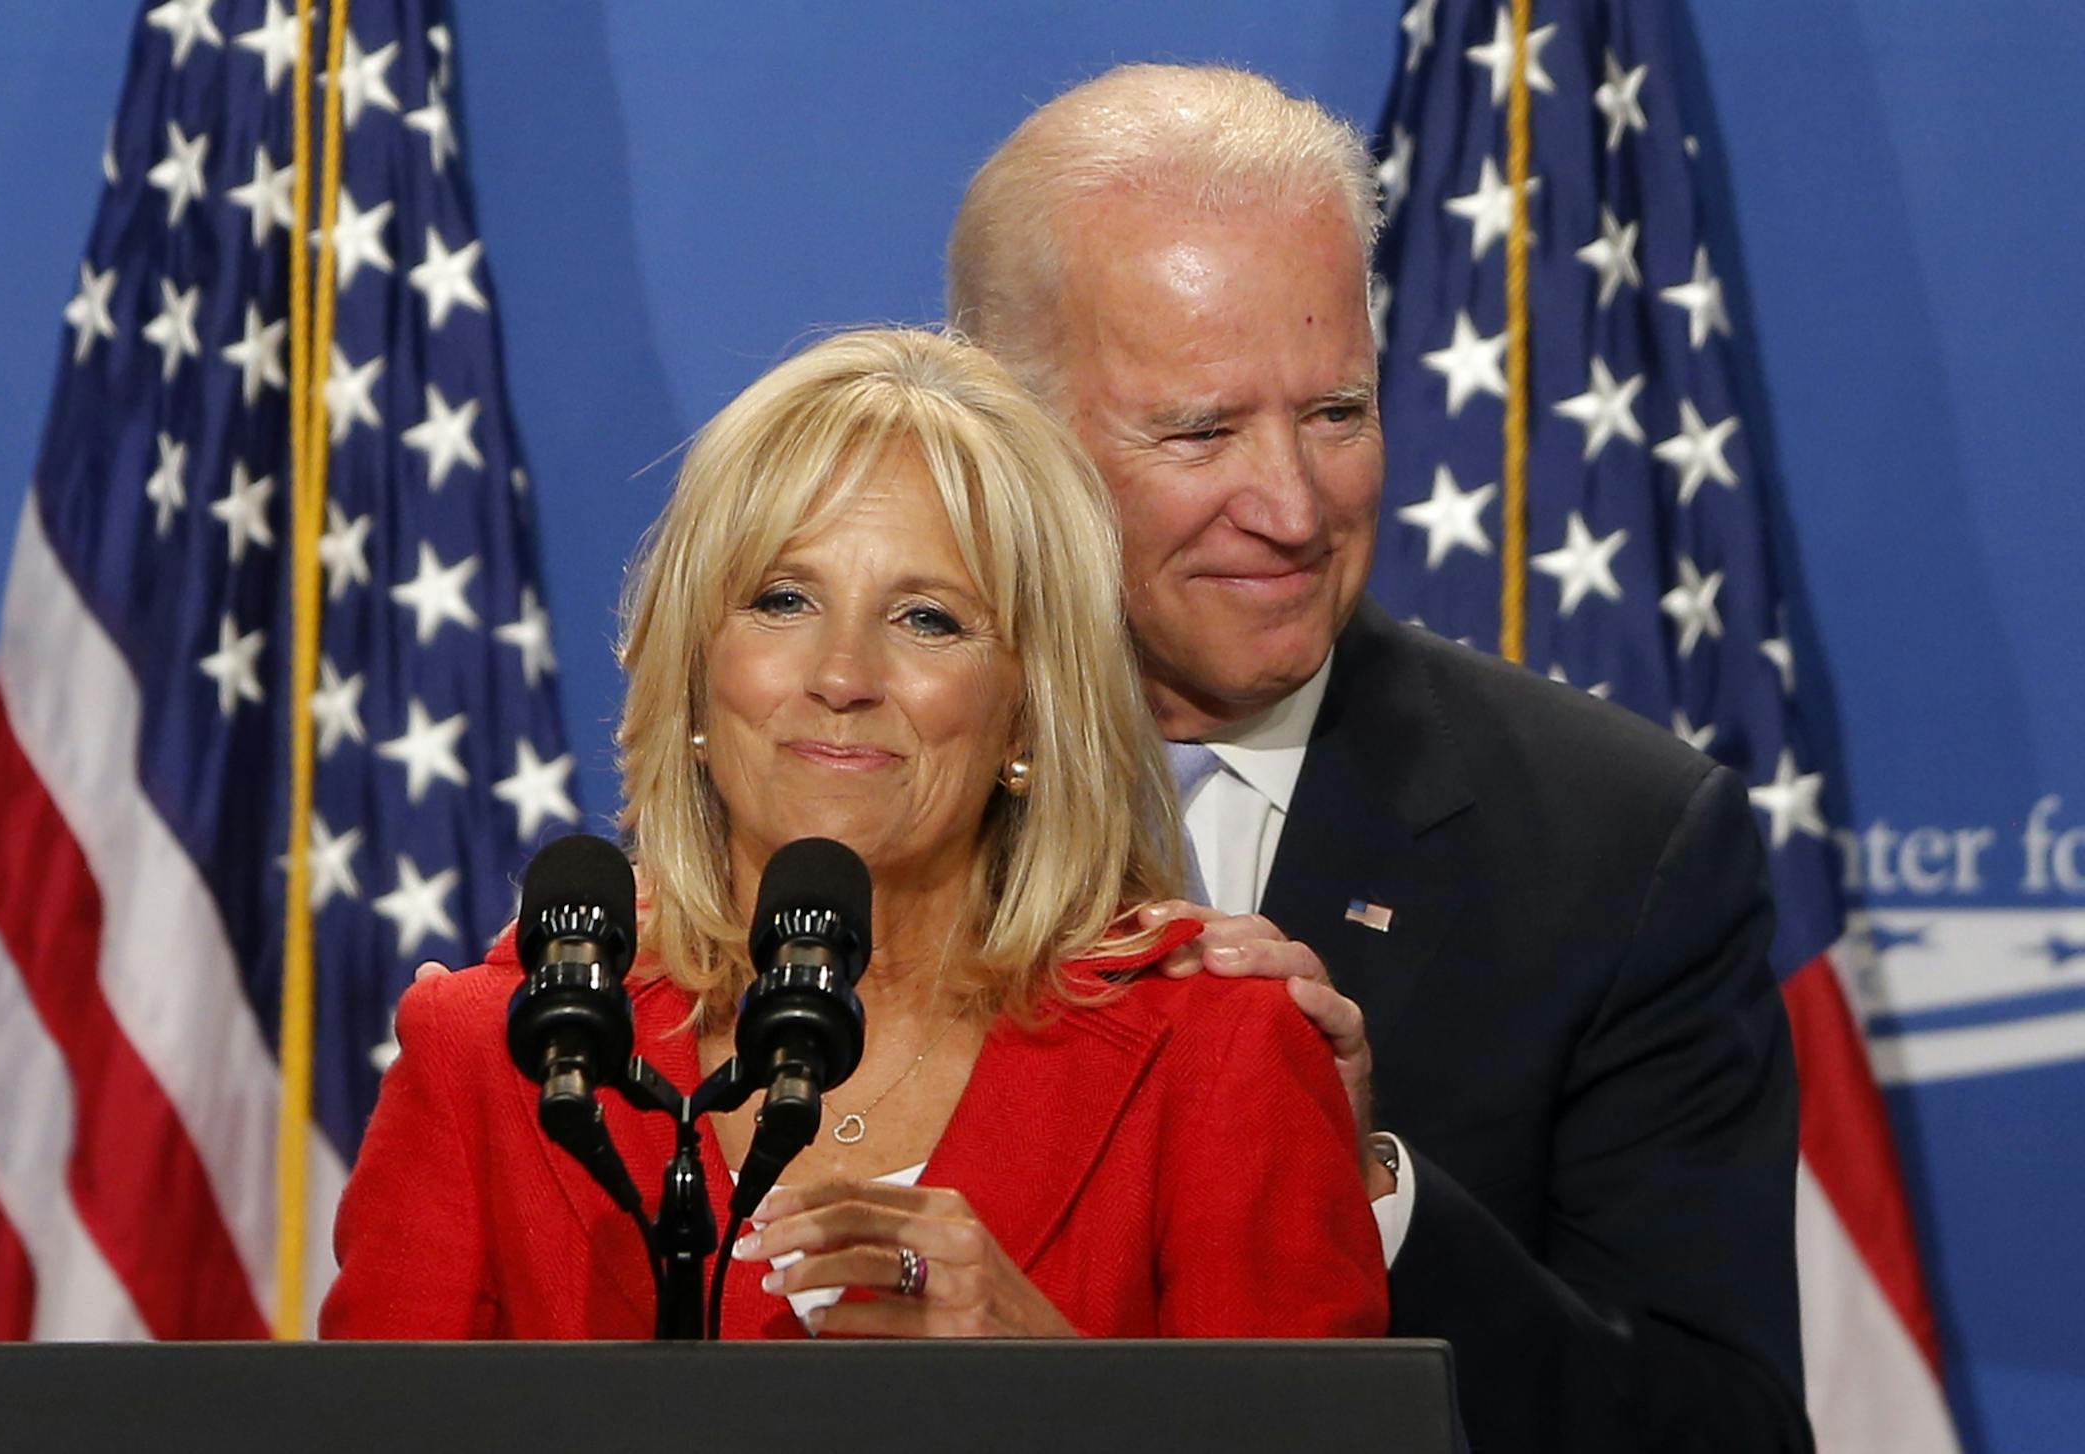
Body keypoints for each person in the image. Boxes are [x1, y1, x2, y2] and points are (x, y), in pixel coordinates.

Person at [946, 65, 1809, 1450]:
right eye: (1201, 429)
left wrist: (1370, 1190)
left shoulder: (1616, 847)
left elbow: (1722, 1432)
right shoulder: (858, 791)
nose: (1295, 507)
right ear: (1002, 426)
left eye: (1337, 412)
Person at [319, 327, 1387, 1341]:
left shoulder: (1221, 1056)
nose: (841, 677)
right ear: (695, 673)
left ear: (1028, 711)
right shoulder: (498, 1055)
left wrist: (1052, 1388)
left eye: (928, 618)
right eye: (783, 599)